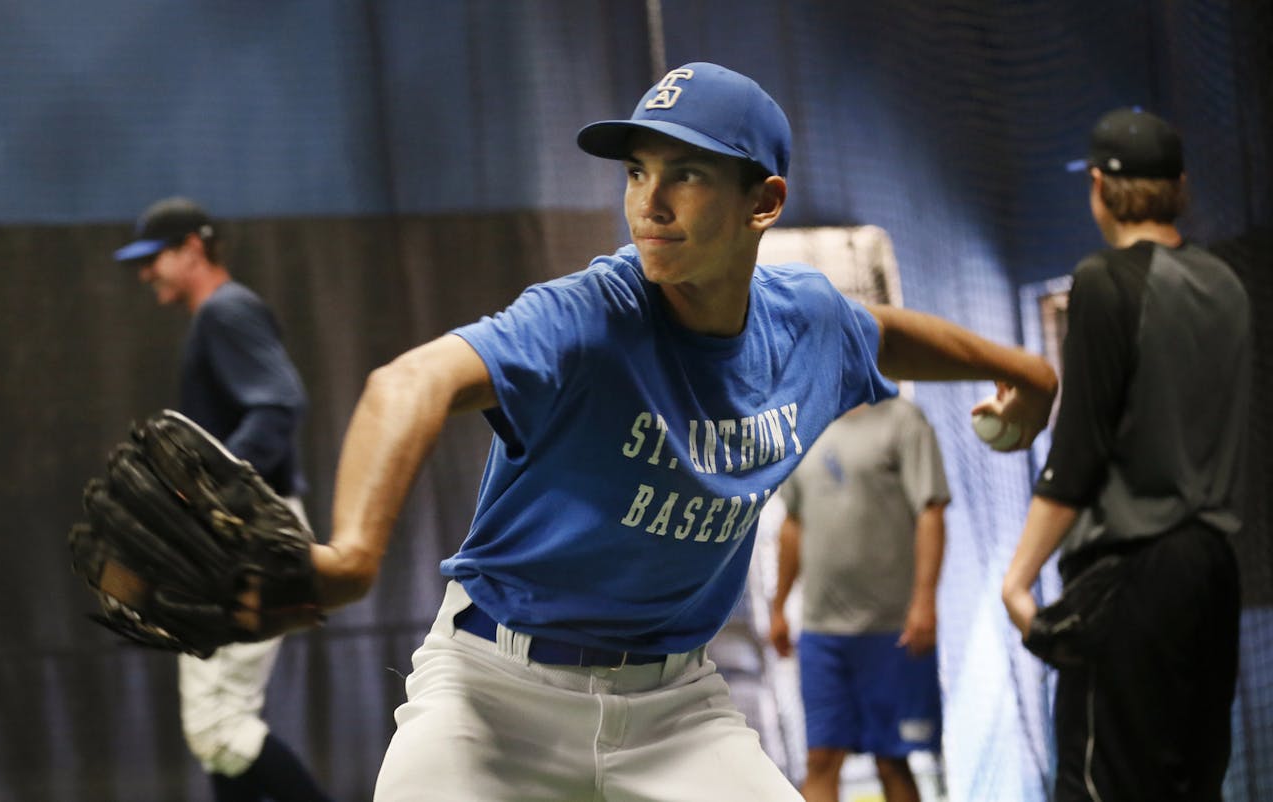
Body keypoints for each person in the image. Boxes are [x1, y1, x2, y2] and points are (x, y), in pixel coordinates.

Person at [247, 62, 1056, 801]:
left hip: (675, 710)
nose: (648, 201)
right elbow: (407, 383)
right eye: (637, 171)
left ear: (764, 203)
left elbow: (880, 333)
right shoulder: (588, 316)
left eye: (687, 175)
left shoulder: (806, 322)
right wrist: (352, 556)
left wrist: (1027, 370)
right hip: (493, 697)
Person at [1000, 108, 1247, 801]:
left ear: (1102, 190)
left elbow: (1079, 452)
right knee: (1189, 784)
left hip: (1130, 580)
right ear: (1181, 187)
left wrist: (1018, 582)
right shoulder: (1227, 285)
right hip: (1211, 575)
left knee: (1102, 786)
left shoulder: (1104, 281)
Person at [113, 197, 335, 802]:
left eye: (152, 258)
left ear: (192, 248)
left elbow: (278, 404)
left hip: (252, 536)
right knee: (222, 725)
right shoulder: (220, 313)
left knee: (217, 725)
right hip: (249, 532)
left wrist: (209, 494)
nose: (144, 273)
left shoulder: (225, 311)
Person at [767, 397, 949, 802]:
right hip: (821, 633)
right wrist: (778, 607)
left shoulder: (903, 420)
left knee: (892, 760)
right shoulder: (806, 421)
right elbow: (793, 524)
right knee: (820, 759)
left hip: (891, 630)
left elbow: (931, 510)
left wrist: (925, 601)